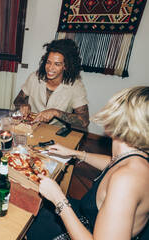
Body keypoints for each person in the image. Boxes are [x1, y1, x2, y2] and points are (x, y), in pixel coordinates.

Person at [26, 86, 149, 239]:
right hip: (90, 217)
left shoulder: (126, 181)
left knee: (29, 218)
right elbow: (114, 164)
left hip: (88, 230)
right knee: (33, 207)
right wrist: (77, 154)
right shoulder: (136, 158)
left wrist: (59, 199)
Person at [13, 39, 89, 129]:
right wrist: (23, 105)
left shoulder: (75, 86)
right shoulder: (35, 77)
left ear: (66, 66)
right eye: (48, 62)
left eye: (57, 64)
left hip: (55, 131)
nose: (50, 68)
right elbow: (17, 100)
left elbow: (84, 121)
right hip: (30, 126)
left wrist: (55, 112)